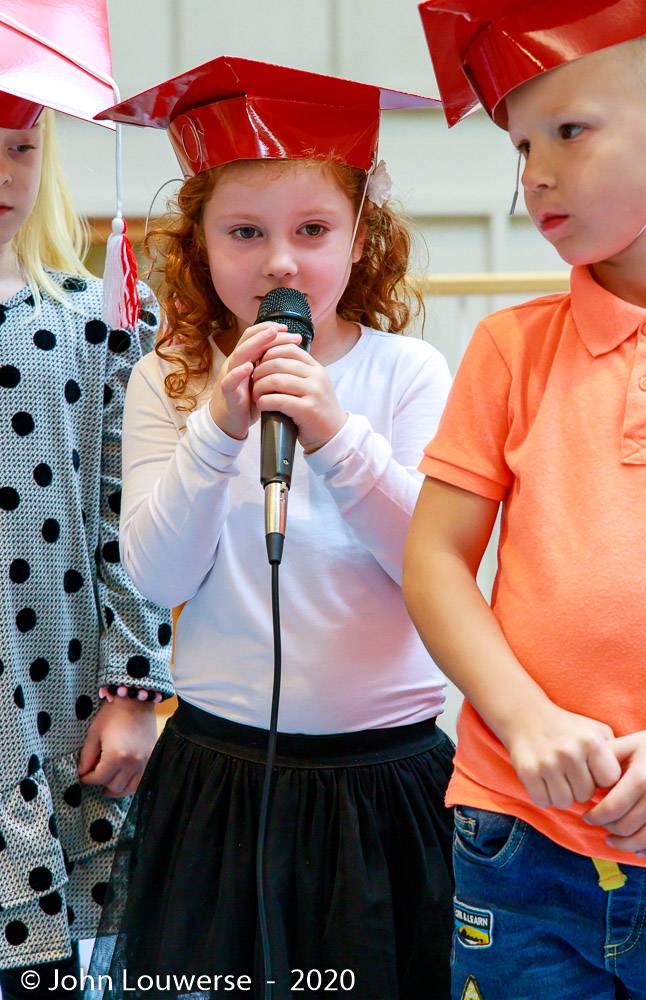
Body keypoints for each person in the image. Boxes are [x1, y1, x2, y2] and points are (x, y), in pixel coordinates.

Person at [87, 57, 455, 1000]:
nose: (280, 262)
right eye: (245, 232)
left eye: (312, 230)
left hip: (384, 777)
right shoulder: (170, 378)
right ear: (200, 244)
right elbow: (159, 572)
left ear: (361, 240)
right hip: (220, 774)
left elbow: (431, 561)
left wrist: (332, 433)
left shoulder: (406, 373)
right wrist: (217, 427)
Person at [405, 2, 646, 997]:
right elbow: (435, 558)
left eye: (569, 130)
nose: (535, 174)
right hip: (516, 834)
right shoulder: (509, 348)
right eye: (521, 146)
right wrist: (521, 718)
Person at [0, 4, 173, 997]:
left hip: (58, 697)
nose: (4, 175)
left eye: (22, 148)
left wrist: (136, 689)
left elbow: (125, 516)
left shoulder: (93, 323)